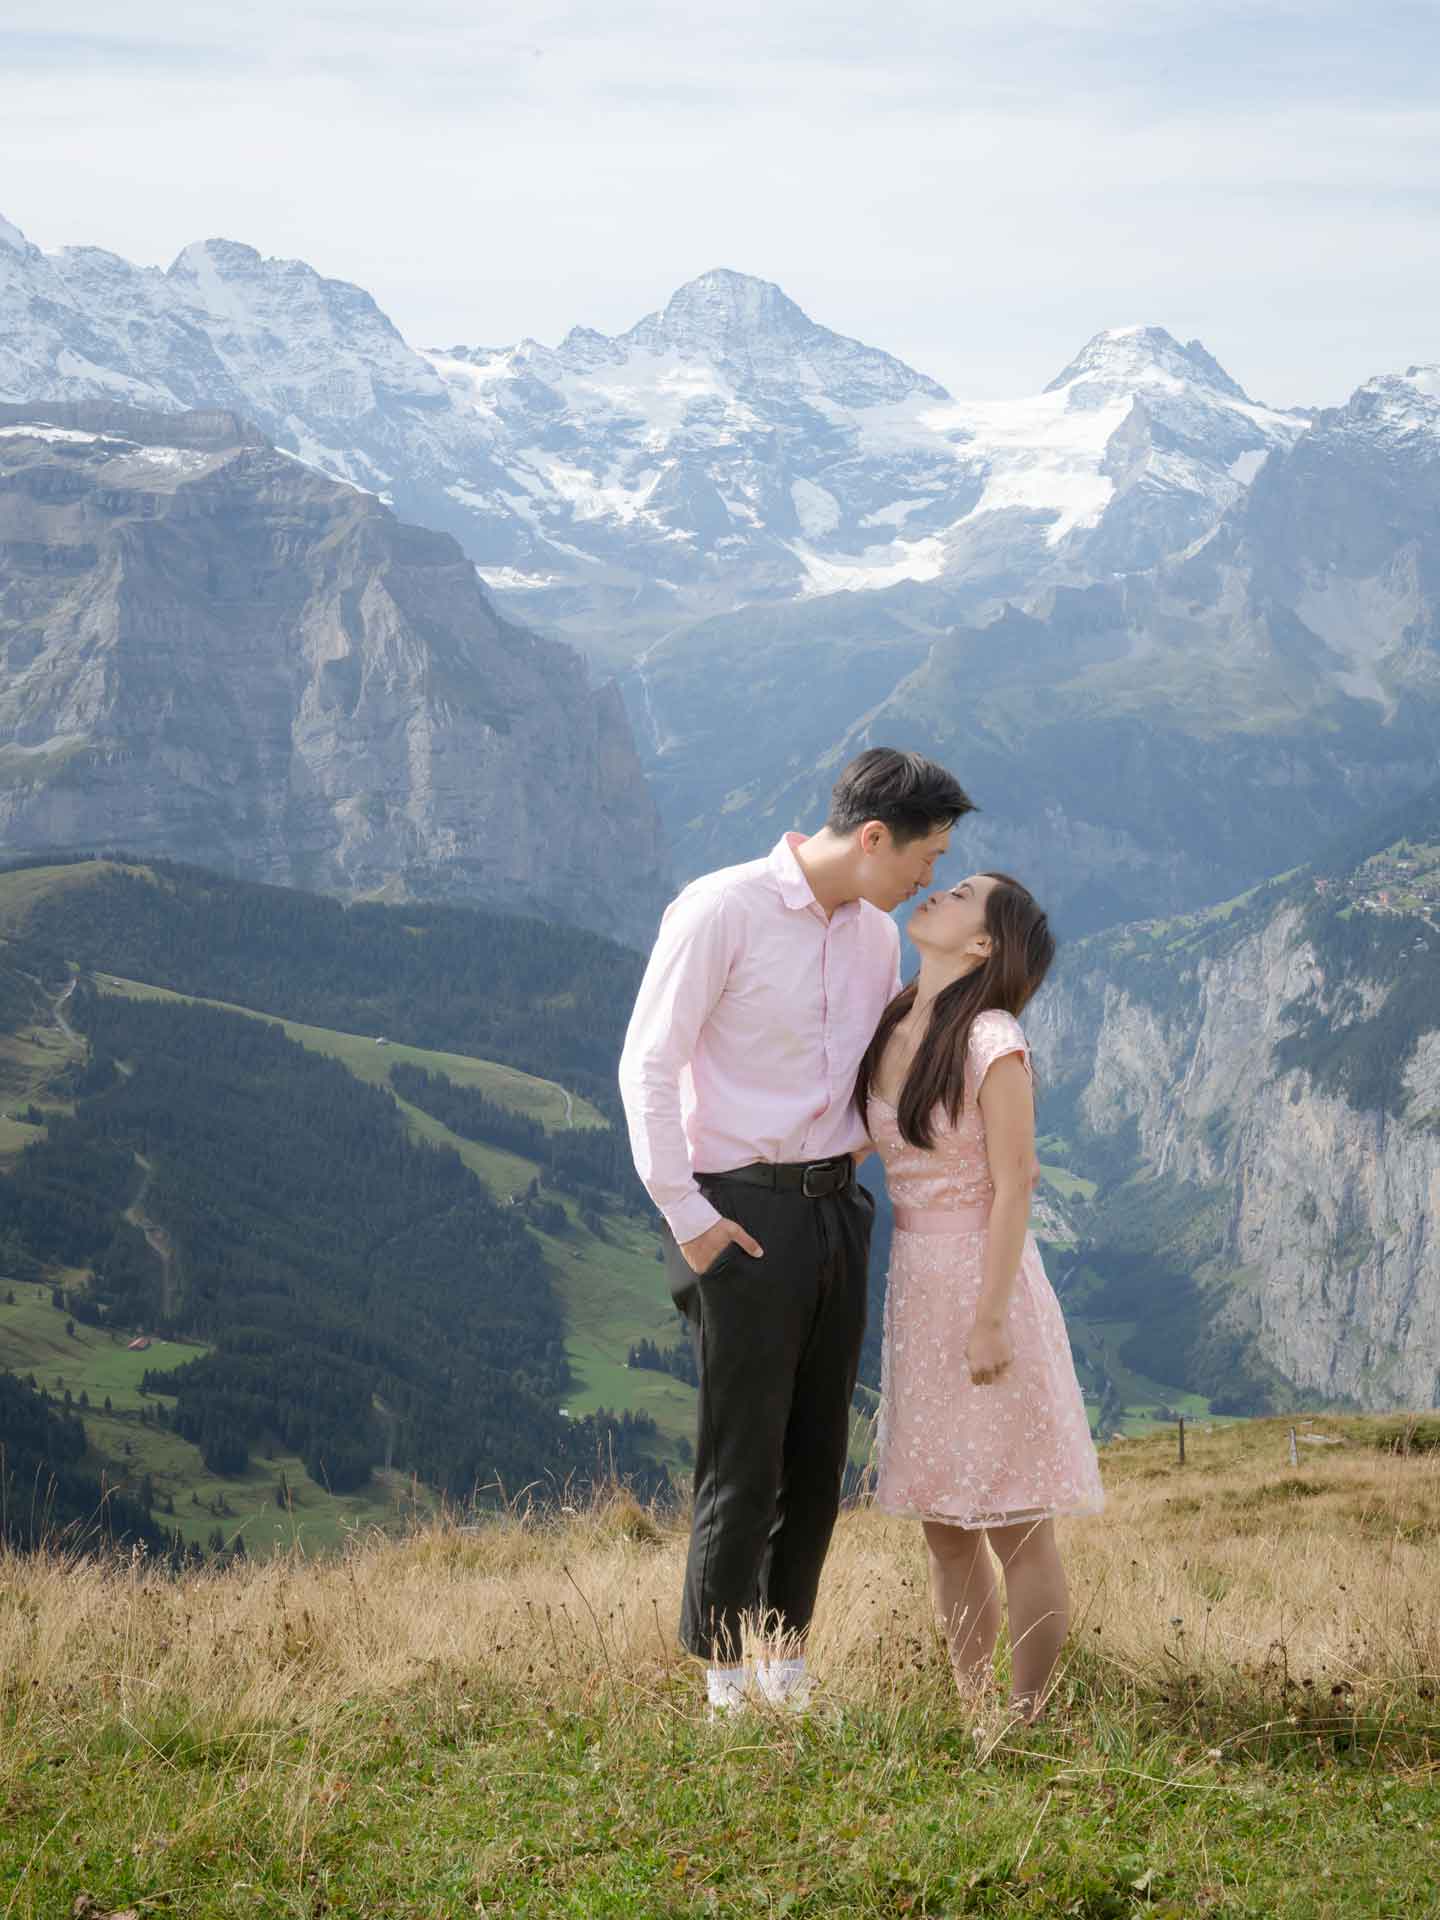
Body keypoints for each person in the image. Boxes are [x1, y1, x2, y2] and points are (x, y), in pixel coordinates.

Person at [618, 748, 975, 1713]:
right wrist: (689, 1219)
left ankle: (787, 1661)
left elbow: (864, 1072)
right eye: (925, 856)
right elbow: (648, 1065)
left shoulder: (872, 938)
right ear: (872, 838)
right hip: (737, 1209)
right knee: (744, 1454)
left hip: (835, 1210)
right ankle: (724, 1680)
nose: (927, 878)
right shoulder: (719, 909)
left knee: (819, 1452)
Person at [857, 871, 1103, 1722]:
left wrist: (992, 1318)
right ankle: (974, 1710)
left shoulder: (991, 1037)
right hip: (917, 1292)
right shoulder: (895, 1018)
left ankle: (1029, 1715)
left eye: (961, 894)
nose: (938, 893)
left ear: (983, 944)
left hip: (981, 1284)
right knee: (943, 1522)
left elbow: (1016, 1181)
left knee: (1014, 1515)